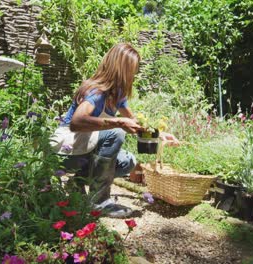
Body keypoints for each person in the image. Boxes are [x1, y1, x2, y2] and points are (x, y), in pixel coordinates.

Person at [61, 43, 178, 218]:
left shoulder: (118, 95)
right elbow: (76, 122)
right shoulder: (96, 91)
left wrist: (159, 134)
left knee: (127, 161)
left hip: (86, 150)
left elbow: (133, 124)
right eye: (132, 69)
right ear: (120, 68)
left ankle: (76, 182)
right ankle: (99, 202)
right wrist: (117, 122)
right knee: (116, 132)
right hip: (68, 152)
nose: (134, 74)